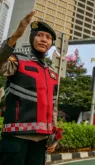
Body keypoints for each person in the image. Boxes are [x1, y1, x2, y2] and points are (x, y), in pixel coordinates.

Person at [0, 11, 59, 165]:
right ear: (32, 38)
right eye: (40, 35)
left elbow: (53, 108)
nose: (43, 40)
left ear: (51, 43)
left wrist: (54, 136)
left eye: (48, 37)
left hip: (41, 142)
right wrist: (15, 37)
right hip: (16, 139)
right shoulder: (18, 60)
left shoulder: (52, 74)